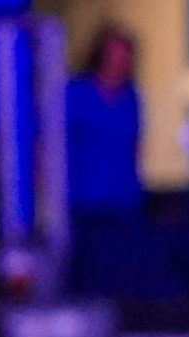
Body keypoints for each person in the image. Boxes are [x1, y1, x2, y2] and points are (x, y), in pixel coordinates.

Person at [66, 24, 154, 297]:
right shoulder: (76, 93)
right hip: (85, 205)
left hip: (125, 204)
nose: (119, 61)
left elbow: (135, 146)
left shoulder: (132, 98)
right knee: (88, 278)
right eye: (114, 54)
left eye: (125, 55)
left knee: (126, 276)